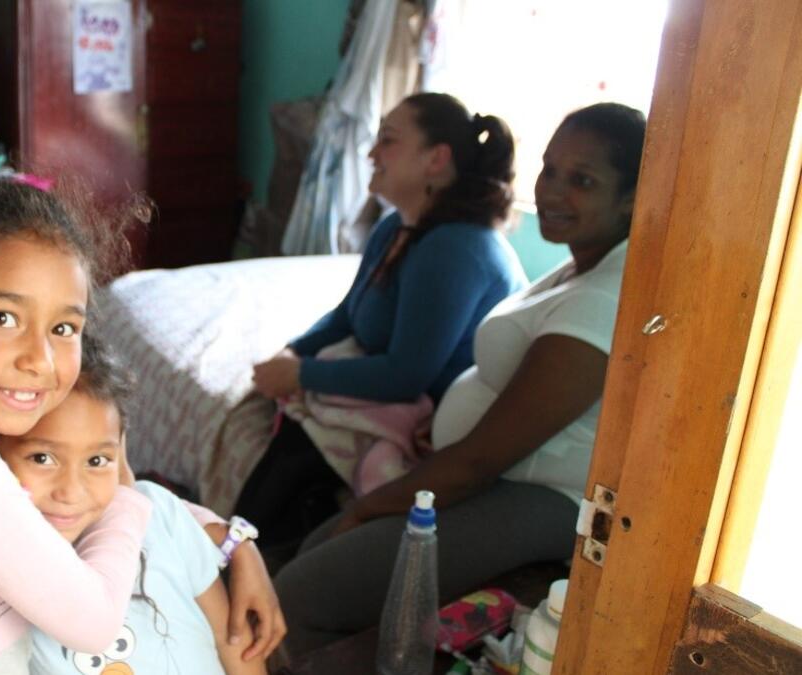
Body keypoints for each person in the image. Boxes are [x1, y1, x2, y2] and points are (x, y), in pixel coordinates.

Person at [0, 178, 283, 673]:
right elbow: (96, 621)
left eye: (64, 328)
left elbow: (77, 488)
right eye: (3, 317)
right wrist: (125, 490)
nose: (40, 360)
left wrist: (233, 542)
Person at [273, 102, 648, 658]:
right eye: (549, 169)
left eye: (583, 180)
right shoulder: (581, 262)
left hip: (541, 500)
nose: (551, 191)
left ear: (631, 199)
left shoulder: (602, 299)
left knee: (301, 594)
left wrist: (365, 507)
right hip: (493, 474)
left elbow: (478, 460)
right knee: (310, 549)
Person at [238, 93, 528, 547]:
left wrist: (300, 373)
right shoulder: (396, 228)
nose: (372, 153)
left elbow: (405, 376)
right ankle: (248, 547)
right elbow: (346, 316)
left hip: (433, 424)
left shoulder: (456, 249)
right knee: (290, 410)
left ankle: (250, 555)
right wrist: (293, 352)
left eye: (387, 140)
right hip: (400, 397)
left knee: (302, 434)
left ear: (437, 159)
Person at [0, 335, 268, 675]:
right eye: (42, 458)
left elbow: (230, 639)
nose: (71, 491)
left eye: (97, 460)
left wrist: (242, 546)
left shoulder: (159, 516)